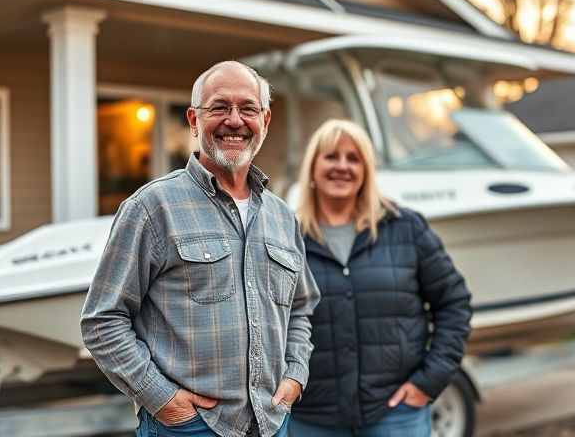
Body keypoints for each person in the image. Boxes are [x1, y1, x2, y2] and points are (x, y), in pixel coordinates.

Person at [81, 61, 321, 437]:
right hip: (189, 428)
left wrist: (294, 376)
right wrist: (162, 399)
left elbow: (302, 310)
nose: (234, 120)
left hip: (272, 423)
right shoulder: (152, 207)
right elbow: (102, 321)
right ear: (194, 120)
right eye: (219, 107)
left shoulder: (282, 217)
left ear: (266, 120)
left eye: (247, 108)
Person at [288, 119, 472, 436]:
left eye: (353, 158)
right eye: (331, 156)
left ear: (367, 170)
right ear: (312, 168)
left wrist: (427, 382)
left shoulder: (406, 228)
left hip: (395, 414)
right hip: (310, 418)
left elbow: (454, 304)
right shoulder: (285, 237)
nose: (342, 166)